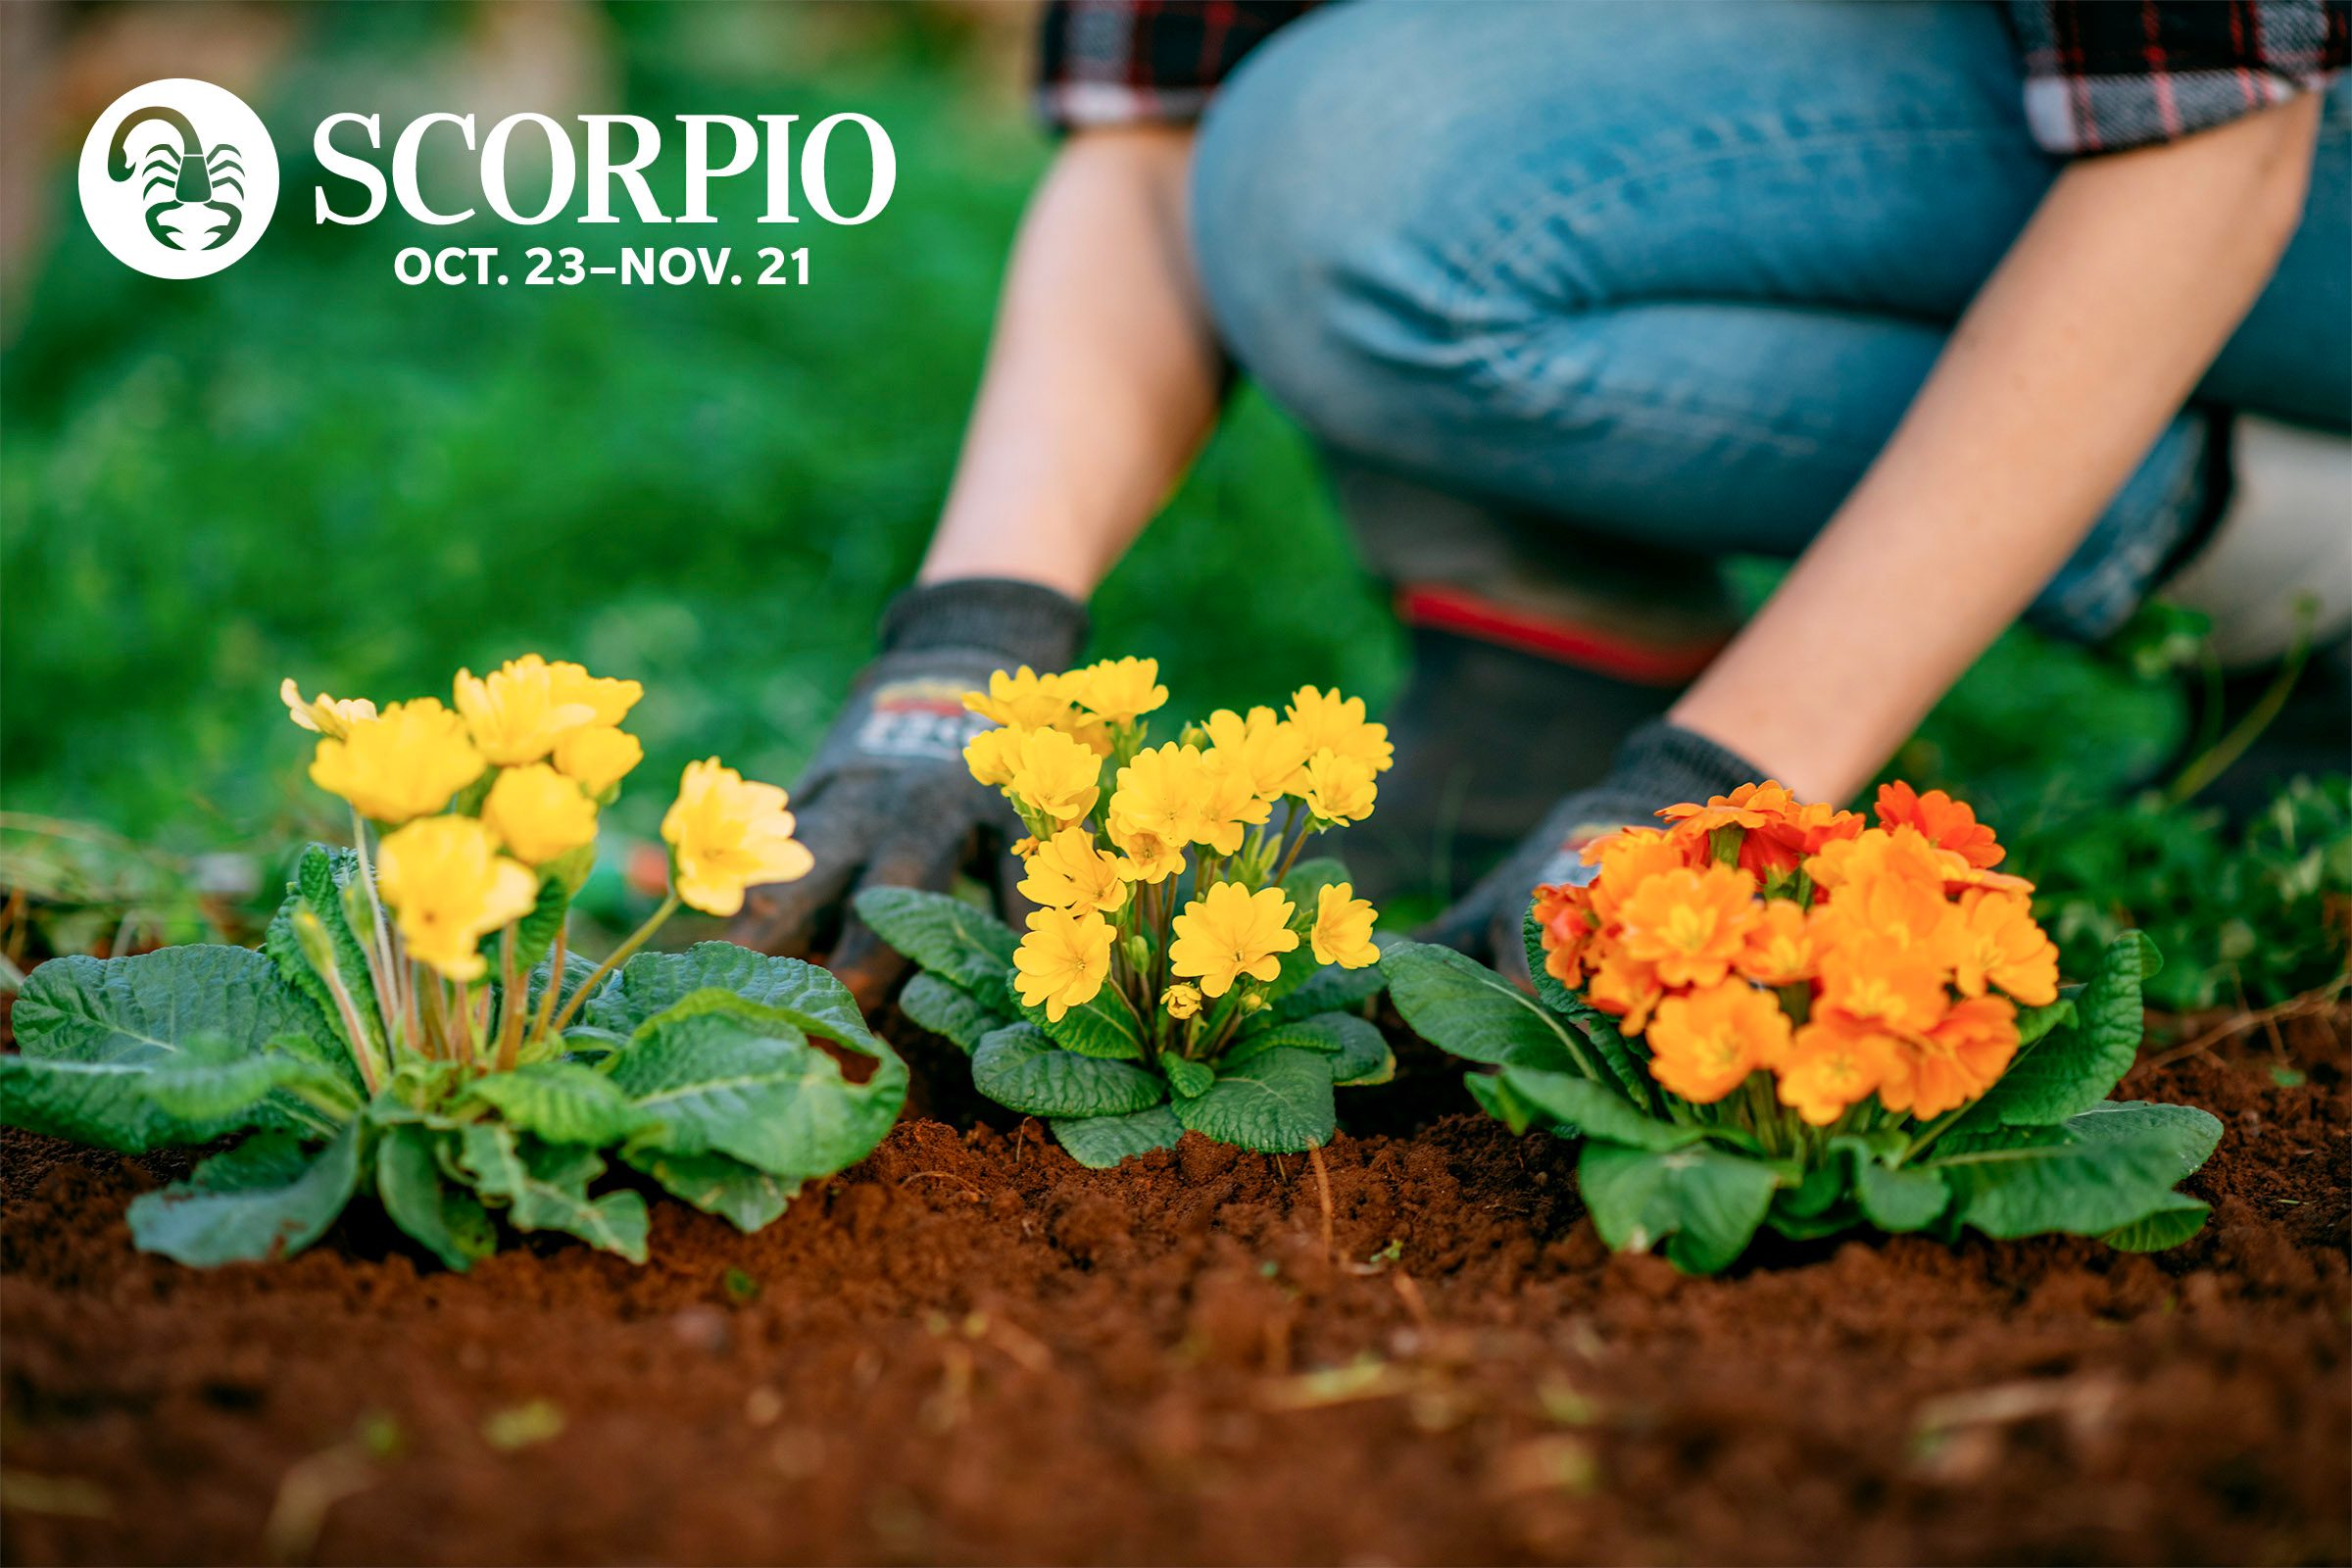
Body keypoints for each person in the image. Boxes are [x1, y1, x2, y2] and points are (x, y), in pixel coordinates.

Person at [731, 0, 2352, 998]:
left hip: (2285, 125)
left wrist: (1719, 791)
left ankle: (2302, 561)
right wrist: (961, 665)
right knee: (1331, 134)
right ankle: (1560, 666)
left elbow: (2212, 130)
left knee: (1358, 159)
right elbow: (1165, 118)